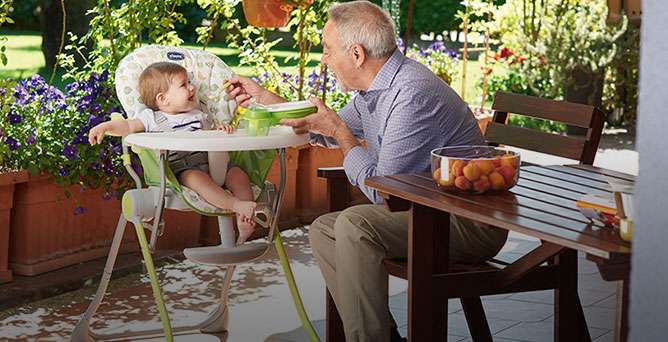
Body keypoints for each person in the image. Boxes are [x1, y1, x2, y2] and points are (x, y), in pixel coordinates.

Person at [226, 2, 508, 341]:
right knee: (325, 230)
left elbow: (382, 191)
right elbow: (322, 127)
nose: (325, 59)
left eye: (328, 51)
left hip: (466, 223)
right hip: (429, 213)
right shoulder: (377, 89)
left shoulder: (411, 95)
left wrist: (342, 135)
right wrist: (265, 98)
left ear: (357, 54)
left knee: (355, 224)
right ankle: (381, 336)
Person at [89, 62, 258, 244]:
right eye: (184, 85)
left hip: (216, 162)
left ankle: (246, 218)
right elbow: (128, 126)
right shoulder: (152, 119)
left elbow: (212, 132)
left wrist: (221, 129)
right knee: (196, 179)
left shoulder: (199, 113)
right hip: (185, 167)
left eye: (189, 82)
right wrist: (105, 127)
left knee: (238, 175)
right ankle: (237, 205)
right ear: (163, 99)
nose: (192, 87)